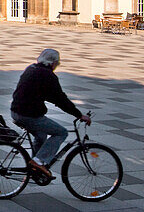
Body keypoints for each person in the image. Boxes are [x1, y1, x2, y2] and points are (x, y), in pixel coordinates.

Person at [10, 48, 89, 179]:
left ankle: (35, 170)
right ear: (53, 63)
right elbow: (60, 99)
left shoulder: (32, 68)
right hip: (28, 115)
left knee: (41, 136)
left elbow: (46, 94)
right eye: (57, 64)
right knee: (61, 132)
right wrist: (79, 115)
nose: (56, 67)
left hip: (16, 111)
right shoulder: (47, 75)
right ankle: (38, 162)